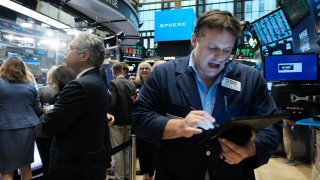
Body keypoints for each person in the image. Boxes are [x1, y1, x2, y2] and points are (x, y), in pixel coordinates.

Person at [132, 10, 281, 180]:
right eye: (212, 48)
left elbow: (272, 126)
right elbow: (139, 118)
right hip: (176, 174)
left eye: (227, 50)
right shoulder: (163, 75)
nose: (220, 57)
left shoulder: (251, 79)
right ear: (194, 40)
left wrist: (250, 150)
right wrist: (177, 127)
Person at [39, 32, 109, 179]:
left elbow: (48, 125)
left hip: (73, 166)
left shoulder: (78, 86)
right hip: (91, 162)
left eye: (70, 48)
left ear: (84, 56)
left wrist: (47, 112)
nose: (66, 52)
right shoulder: (98, 80)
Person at [0, 57, 42, 180]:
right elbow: (37, 109)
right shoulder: (30, 86)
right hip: (26, 130)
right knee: (26, 168)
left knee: (6, 170)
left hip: (4, 129)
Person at [35, 65, 76, 175]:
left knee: (45, 161)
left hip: (42, 130)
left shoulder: (42, 90)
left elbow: (37, 110)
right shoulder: (68, 90)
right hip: (59, 131)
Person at [108, 63, 136, 180]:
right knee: (127, 150)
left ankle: (119, 177)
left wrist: (109, 114)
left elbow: (112, 103)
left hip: (116, 122)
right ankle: (128, 176)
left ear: (114, 72)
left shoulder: (113, 83)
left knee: (117, 151)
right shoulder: (131, 84)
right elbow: (135, 103)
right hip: (129, 121)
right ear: (123, 71)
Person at [133, 62, 156, 180]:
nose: (144, 70)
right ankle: (145, 174)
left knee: (151, 151)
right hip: (140, 122)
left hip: (152, 120)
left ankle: (151, 175)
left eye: (147, 68)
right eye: (142, 68)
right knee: (142, 151)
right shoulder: (135, 84)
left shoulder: (155, 83)